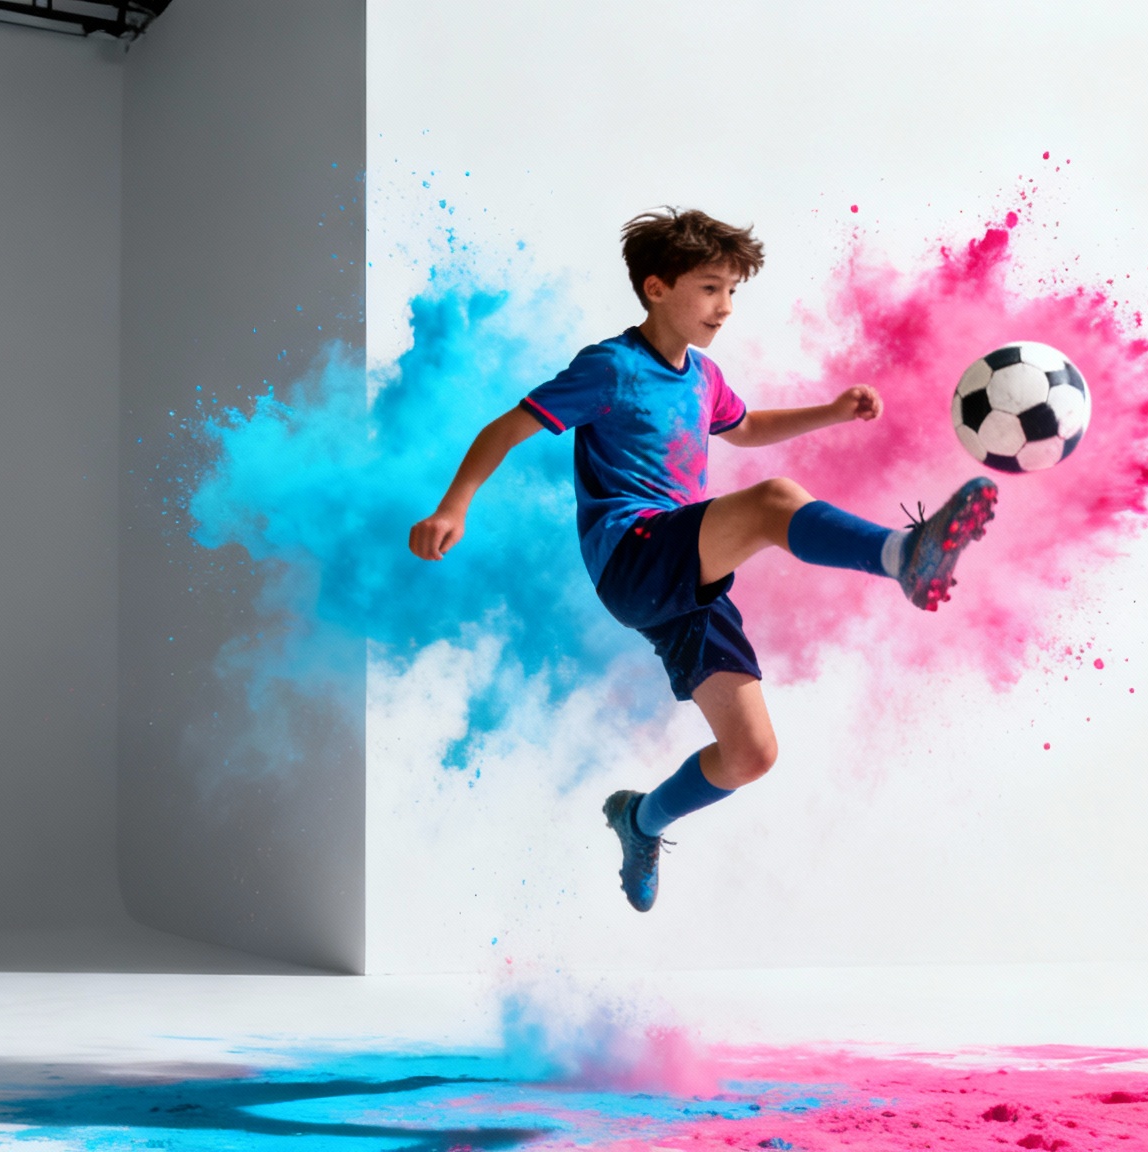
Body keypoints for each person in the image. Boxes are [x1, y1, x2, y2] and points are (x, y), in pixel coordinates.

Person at [408, 208, 996, 911]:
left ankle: (640, 820)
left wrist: (831, 411)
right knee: (775, 500)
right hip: (635, 554)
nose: (724, 307)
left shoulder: (703, 375)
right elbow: (506, 427)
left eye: (732, 292)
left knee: (751, 754)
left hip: (690, 583)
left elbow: (743, 428)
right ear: (656, 288)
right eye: (711, 288)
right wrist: (453, 506)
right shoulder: (611, 368)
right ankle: (904, 555)